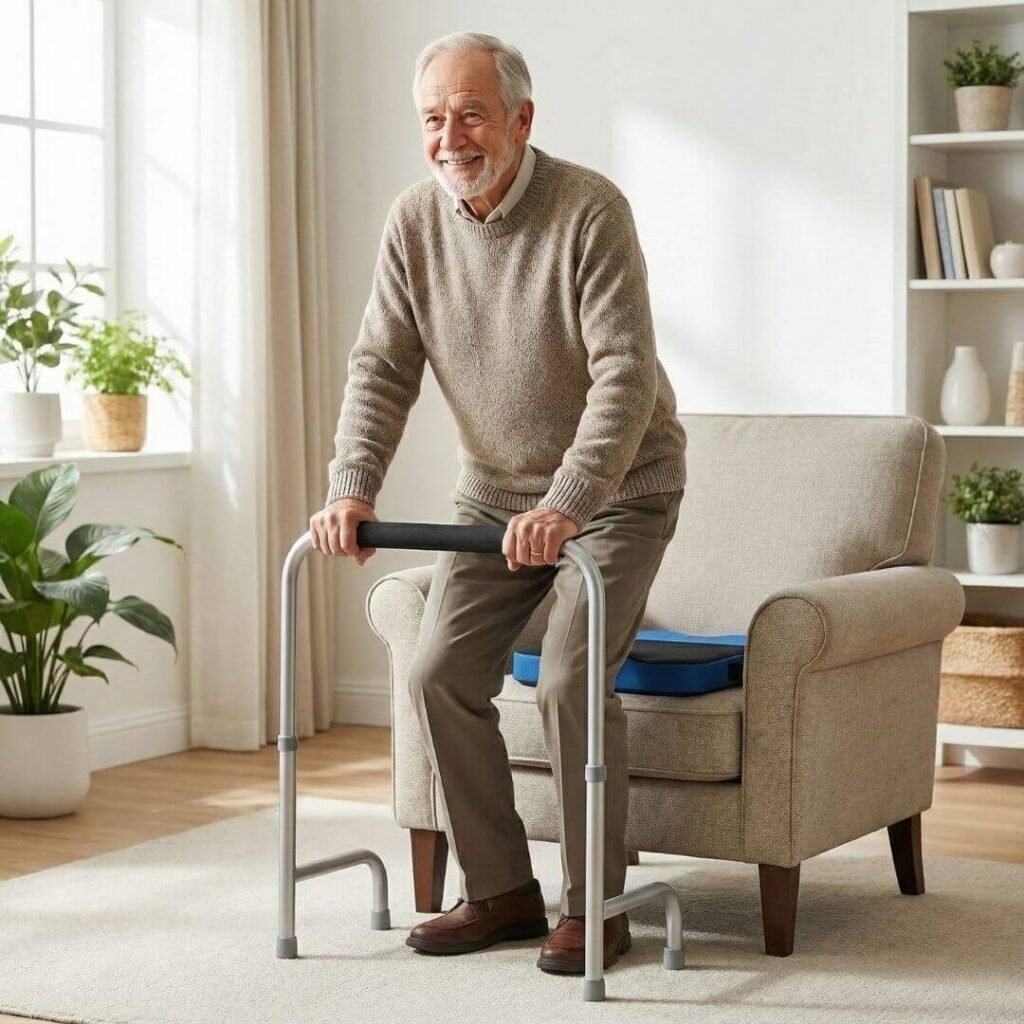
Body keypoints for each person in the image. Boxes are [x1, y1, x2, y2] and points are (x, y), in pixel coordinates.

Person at [309, 30, 686, 975]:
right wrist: (350, 486)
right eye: (433, 118)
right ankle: (505, 891)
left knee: (565, 678)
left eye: (472, 113)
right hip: (492, 498)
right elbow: (381, 367)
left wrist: (568, 502)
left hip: (618, 493)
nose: (451, 137)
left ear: (522, 118)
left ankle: (597, 906)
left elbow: (625, 376)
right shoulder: (414, 223)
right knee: (436, 668)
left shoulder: (589, 209)